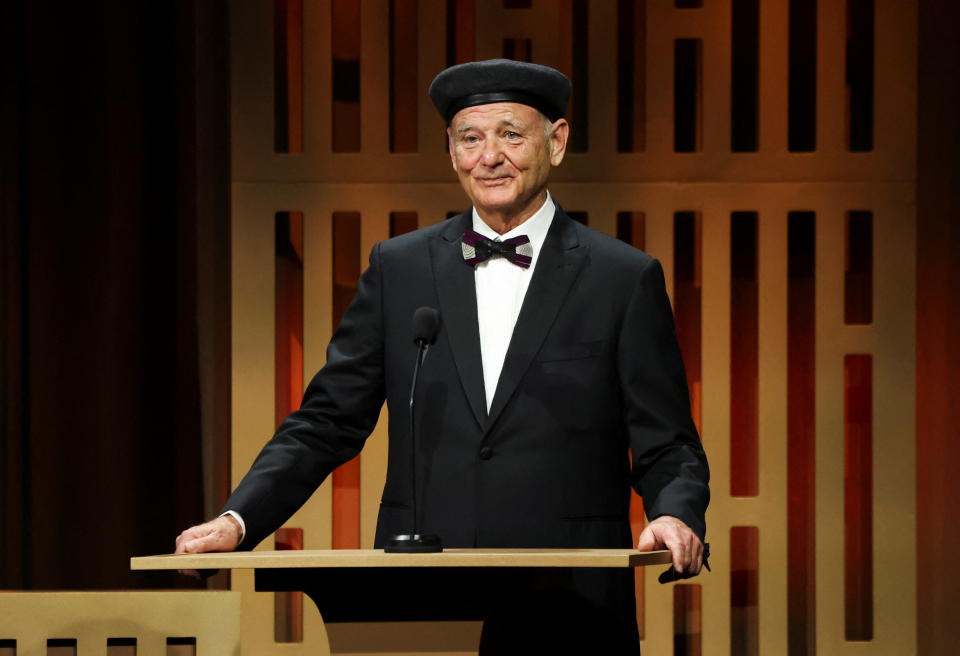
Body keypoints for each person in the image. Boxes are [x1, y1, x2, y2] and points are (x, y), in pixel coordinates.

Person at [175, 59, 709, 654]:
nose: (490, 156)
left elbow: (667, 440)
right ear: (451, 152)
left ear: (556, 143)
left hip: (572, 600)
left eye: (511, 134)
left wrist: (675, 512)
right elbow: (327, 421)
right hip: (420, 594)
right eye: (470, 138)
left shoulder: (622, 277)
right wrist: (239, 521)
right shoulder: (399, 269)